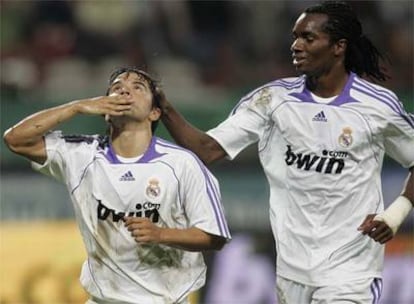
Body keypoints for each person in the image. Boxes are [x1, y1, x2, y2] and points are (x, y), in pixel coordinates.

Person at [159, 1, 414, 303]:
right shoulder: (272, 100)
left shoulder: (377, 106)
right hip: (292, 272)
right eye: (295, 36)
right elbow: (207, 150)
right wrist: (162, 105)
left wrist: (398, 211)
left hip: (351, 271)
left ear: (338, 47)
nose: (296, 46)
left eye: (308, 38)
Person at [3, 67, 231, 304]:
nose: (124, 90)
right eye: (117, 87)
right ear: (104, 110)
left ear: (154, 113)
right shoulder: (81, 154)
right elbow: (16, 139)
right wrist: (76, 107)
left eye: (137, 87)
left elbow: (214, 236)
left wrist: (160, 234)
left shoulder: (182, 163)